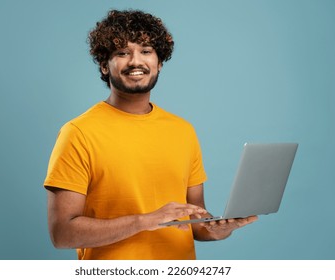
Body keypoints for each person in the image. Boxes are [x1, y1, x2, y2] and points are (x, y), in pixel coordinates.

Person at [44, 9, 257, 260]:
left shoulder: (182, 131)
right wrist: (145, 221)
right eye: (122, 52)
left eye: (146, 51)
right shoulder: (78, 133)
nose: (136, 61)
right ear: (104, 65)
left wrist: (221, 230)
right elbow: (62, 233)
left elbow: (197, 223)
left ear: (160, 63)